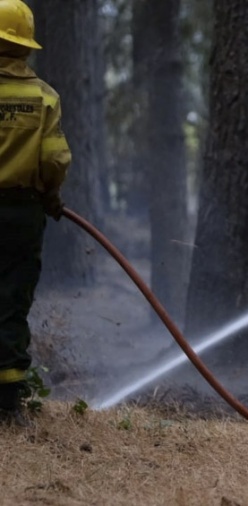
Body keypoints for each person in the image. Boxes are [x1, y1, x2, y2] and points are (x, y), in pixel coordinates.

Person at [0, 0, 71, 427]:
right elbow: (54, 159)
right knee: (10, 300)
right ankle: (7, 402)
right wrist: (51, 195)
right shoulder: (43, 96)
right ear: (26, 46)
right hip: (20, 212)